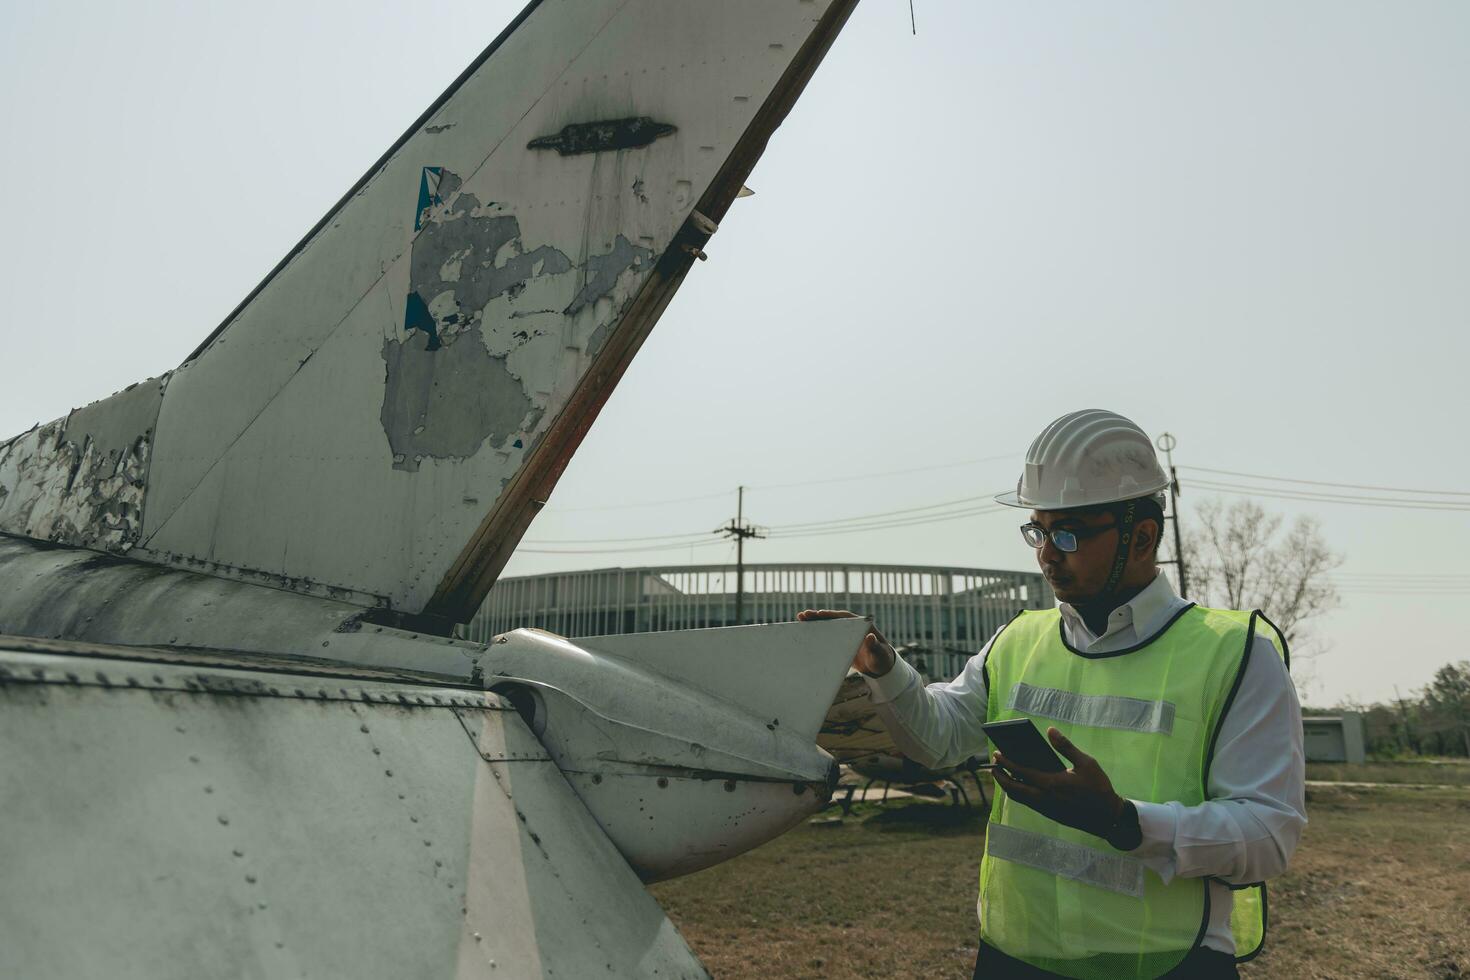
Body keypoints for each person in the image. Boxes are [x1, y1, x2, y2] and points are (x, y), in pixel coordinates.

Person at [801, 409, 1305, 980]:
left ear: (1142, 537)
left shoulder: (1234, 654)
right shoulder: (1018, 640)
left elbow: (1268, 836)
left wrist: (1123, 821)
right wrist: (884, 668)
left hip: (1165, 965)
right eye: (1038, 530)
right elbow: (936, 741)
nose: (1046, 552)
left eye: (1069, 533)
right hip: (1015, 958)